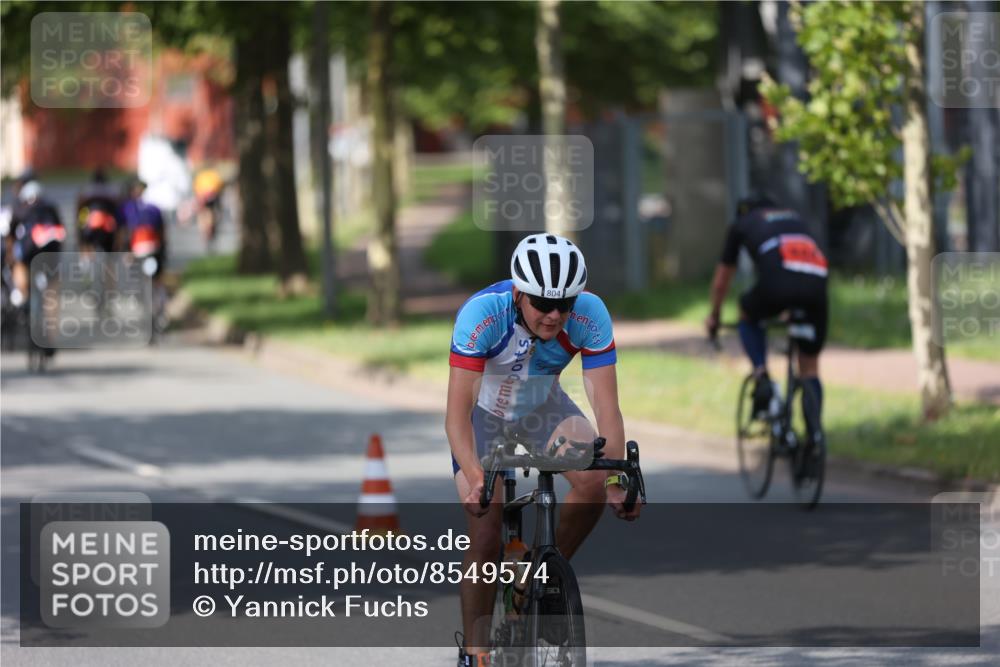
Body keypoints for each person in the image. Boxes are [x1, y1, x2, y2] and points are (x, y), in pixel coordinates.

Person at [447, 233, 640, 667]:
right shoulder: (482, 314)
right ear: (518, 293)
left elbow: (606, 407)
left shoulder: (590, 314)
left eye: (564, 304)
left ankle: (533, 581)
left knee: (592, 479)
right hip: (483, 415)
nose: (554, 315)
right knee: (485, 531)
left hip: (541, 406)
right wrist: (476, 478)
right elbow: (456, 417)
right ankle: (475, 654)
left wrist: (615, 478)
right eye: (542, 303)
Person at [704, 193, 829, 425]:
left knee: (747, 312)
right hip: (817, 281)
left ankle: (761, 375)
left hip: (778, 283)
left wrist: (714, 316)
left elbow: (722, 281)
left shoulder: (742, 223)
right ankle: (815, 434)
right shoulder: (794, 217)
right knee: (810, 366)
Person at [76, 168, 121, 254]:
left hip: (91, 222)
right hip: (105, 223)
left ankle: (86, 248)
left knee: (85, 236)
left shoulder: (87, 189)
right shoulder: (111, 190)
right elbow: (117, 206)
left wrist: (79, 232)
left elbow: (80, 207)